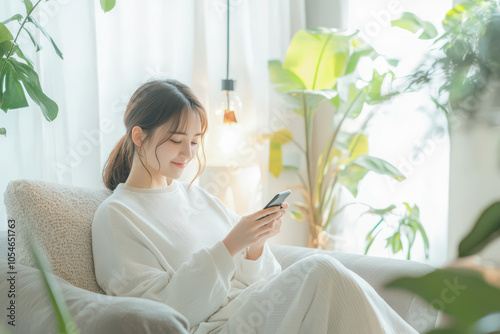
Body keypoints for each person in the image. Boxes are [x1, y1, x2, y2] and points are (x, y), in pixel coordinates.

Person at [92, 79, 419, 334]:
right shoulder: (118, 215)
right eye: (177, 140)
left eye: (195, 142)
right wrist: (231, 244)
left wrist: (254, 247)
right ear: (138, 135)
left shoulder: (198, 197)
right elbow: (161, 313)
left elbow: (265, 281)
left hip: (253, 313)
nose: (188, 153)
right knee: (320, 270)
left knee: (324, 287)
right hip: (214, 329)